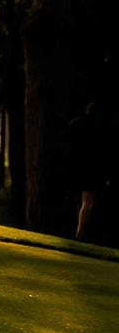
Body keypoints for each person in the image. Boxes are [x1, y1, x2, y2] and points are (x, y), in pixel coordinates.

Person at [68, 102, 110, 241]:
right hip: (90, 170)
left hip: (76, 169)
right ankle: (80, 233)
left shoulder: (75, 125)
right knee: (88, 202)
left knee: (81, 202)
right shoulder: (99, 128)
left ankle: (81, 230)